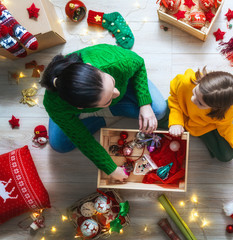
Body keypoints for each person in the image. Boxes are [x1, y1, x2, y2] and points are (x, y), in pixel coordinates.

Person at [40, 44, 167, 182]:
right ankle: (106, 113)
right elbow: (83, 139)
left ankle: (108, 105)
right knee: (59, 144)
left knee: (159, 110)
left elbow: (139, 63)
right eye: (108, 100)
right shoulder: (55, 105)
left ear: (92, 67)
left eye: (112, 83)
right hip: (77, 105)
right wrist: (110, 168)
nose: (117, 93)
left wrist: (145, 104)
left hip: (122, 79)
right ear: (80, 107)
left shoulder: (114, 61)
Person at [163, 67, 233, 161]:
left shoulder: (227, 111)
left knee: (226, 156)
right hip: (180, 109)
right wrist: (176, 121)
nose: (192, 99)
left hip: (202, 126)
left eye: (200, 103)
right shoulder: (187, 81)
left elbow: (225, 127)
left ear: (216, 108)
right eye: (195, 92)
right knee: (151, 121)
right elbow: (174, 97)